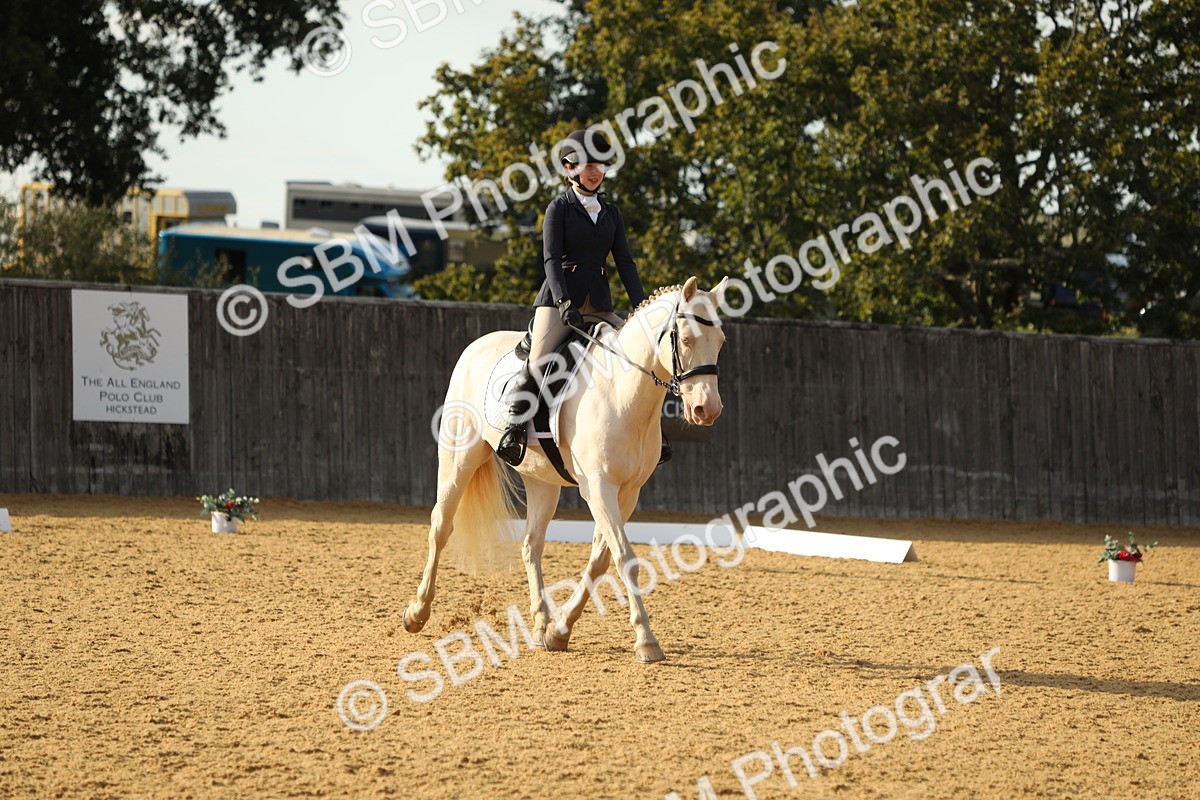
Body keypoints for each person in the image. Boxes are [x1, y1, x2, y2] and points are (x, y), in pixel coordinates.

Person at [496, 127, 668, 467]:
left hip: (600, 304)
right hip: (560, 302)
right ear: (569, 169)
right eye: (587, 165)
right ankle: (514, 427)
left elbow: (625, 262)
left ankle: (655, 435)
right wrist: (562, 302)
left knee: (641, 354)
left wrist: (642, 307)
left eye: (600, 165)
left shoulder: (611, 213)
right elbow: (551, 260)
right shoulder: (558, 209)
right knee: (540, 358)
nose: (595, 172)